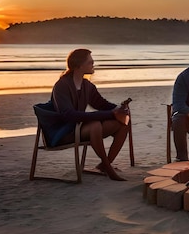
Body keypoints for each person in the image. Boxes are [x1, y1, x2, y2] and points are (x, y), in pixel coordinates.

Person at [51, 48, 130, 181]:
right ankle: (109, 168)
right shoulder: (62, 86)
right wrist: (108, 114)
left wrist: (119, 109)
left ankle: (104, 165)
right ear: (79, 65)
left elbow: (101, 104)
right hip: (66, 132)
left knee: (123, 122)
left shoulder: (87, 86)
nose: (93, 64)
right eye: (90, 62)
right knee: (95, 125)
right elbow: (69, 115)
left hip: (81, 129)